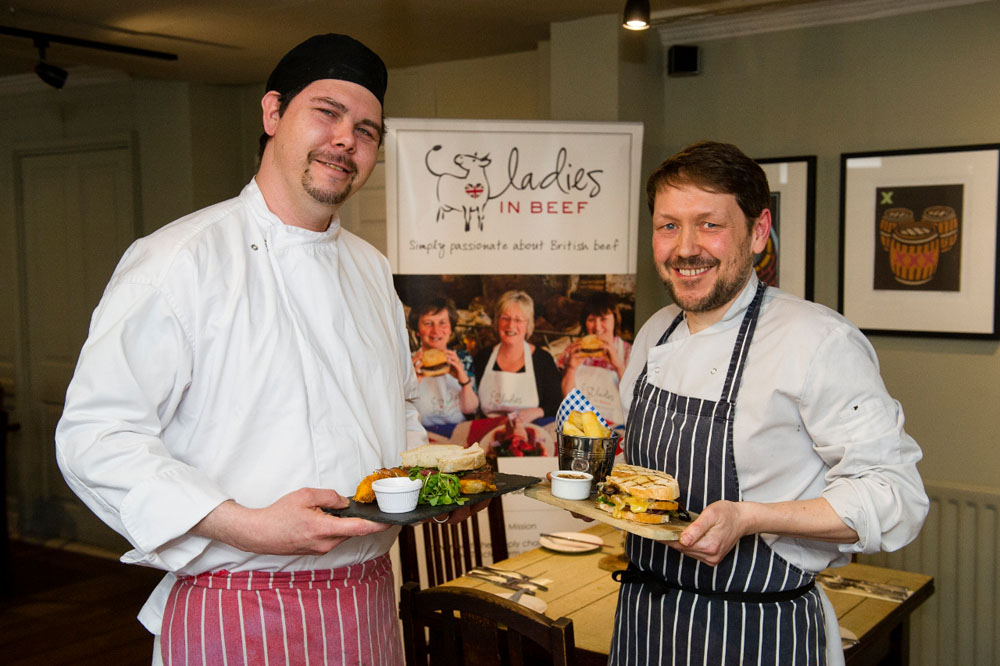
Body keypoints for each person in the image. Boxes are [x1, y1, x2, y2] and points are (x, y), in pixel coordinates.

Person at [54, 34, 476, 666]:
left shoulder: (370, 270)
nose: (346, 141)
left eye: (366, 130)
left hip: (366, 602)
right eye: (326, 113)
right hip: (237, 603)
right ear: (273, 113)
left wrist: (437, 478)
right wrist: (245, 523)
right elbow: (95, 437)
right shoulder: (179, 260)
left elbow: (398, 413)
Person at [608, 141, 928, 665]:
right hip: (645, 625)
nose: (685, 248)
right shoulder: (655, 332)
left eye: (709, 224)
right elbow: (634, 462)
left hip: (758, 632)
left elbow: (896, 497)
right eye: (668, 226)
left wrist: (749, 517)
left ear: (757, 232)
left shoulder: (817, 340)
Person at [473, 290, 562, 429]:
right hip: (489, 433)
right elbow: (471, 405)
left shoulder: (543, 360)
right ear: (497, 322)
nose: (511, 326)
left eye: (518, 320)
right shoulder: (482, 357)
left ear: (528, 325)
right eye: (505, 318)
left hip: (532, 432)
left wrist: (538, 411)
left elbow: (556, 403)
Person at [558, 292, 631, 424]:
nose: (597, 327)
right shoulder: (572, 350)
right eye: (591, 320)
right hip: (580, 424)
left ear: (615, 319)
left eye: (603, 319)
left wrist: (619, 366)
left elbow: (633, 398)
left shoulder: (627, 352)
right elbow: (566, 398)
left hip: (616, 428)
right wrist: (571, 368)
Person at [409, 296, 479, 426]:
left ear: (451, 328)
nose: (436, 331)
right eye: (428, 323)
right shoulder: (407, 362)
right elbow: (396, 413)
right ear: (417, 331)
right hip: (420, 434)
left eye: (443, 323)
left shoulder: (464, 358)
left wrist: (464, 380)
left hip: (457, 434)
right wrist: (411, 383)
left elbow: (470, 410)